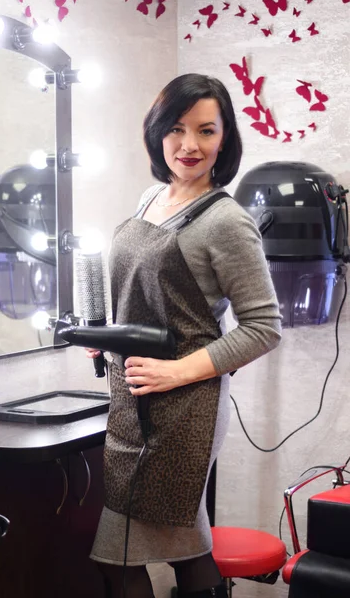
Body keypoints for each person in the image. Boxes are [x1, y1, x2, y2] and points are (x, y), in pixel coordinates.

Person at [87, 73, 282, 598]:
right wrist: (108, 337)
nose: (189, 145)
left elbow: (264, 328)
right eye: (175, 129)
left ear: (225, 138)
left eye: (205, 130)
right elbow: (146, 299)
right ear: (157, 134)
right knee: (183, 547)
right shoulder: (152, 197)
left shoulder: (226, 221)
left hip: (185, 406)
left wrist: (176, 370)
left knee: (119, 557)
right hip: (132, 397)